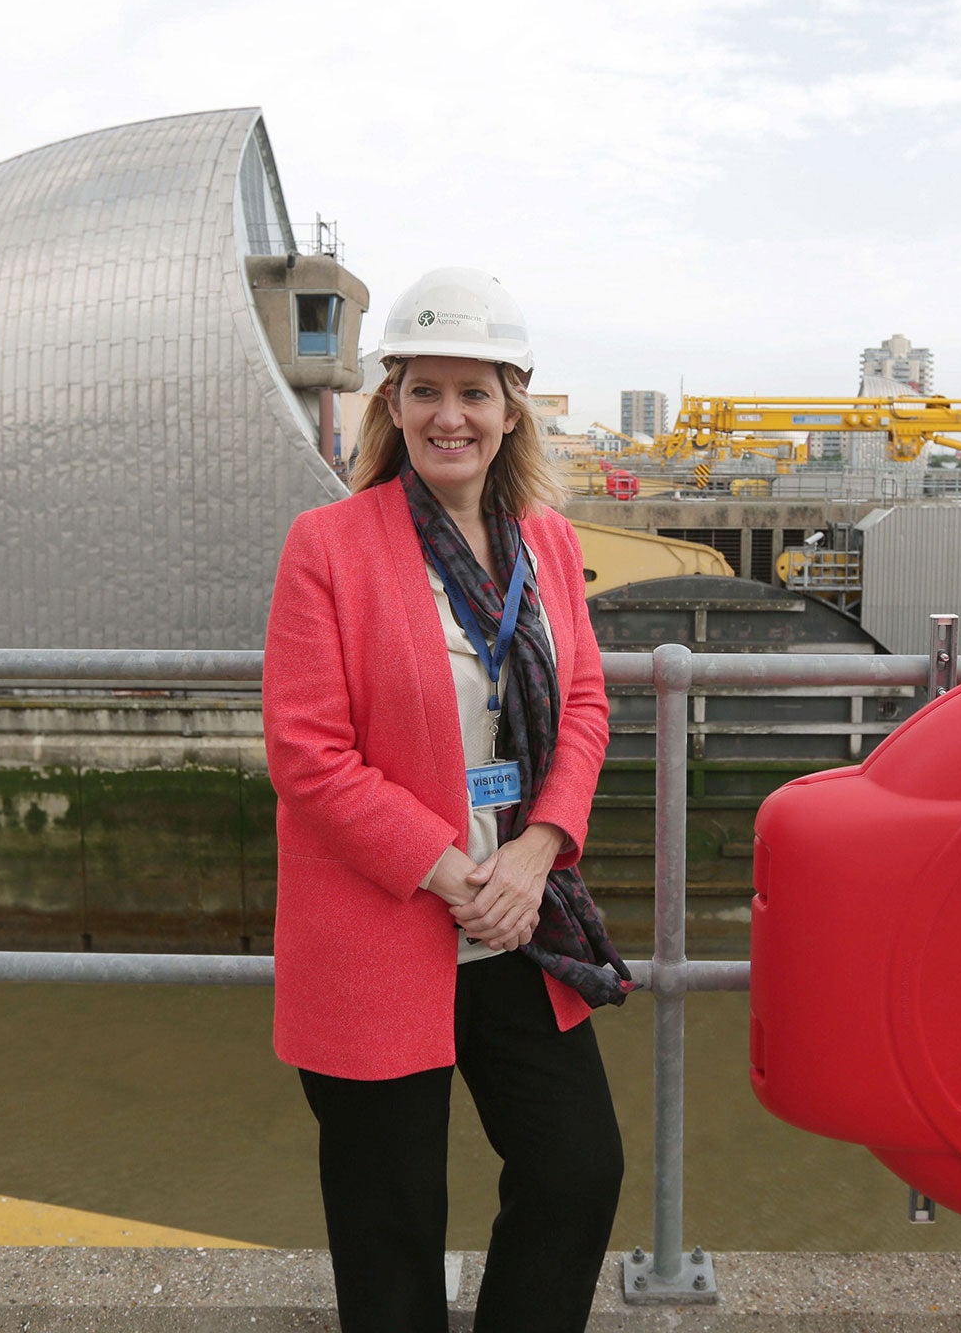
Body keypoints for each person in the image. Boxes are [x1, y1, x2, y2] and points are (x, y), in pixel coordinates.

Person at [262, 267, 629, 1333]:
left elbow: (590, 703)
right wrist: (449, 869)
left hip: (516, 921)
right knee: (390, 1226)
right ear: (391, 404)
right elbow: (308, 751)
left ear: (513, 407)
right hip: (388, 922)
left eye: (474, 392)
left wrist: (533, 853)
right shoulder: (327, 547)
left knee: (576, 1167)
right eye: (425, 390)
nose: (449, 416)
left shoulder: (548, 545)